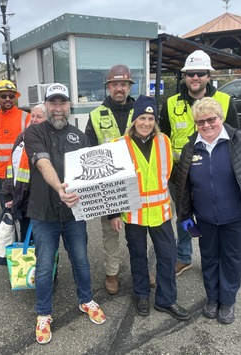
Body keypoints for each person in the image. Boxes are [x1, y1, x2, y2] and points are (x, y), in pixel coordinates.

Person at [24, 83, 106, 345]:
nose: (58, 109)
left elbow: (90, 172)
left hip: (74, 214)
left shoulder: (79, 136)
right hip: (44, 213)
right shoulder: (34, 132)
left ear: (69, 106)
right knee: (45, 266)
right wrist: (59, 187)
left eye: (62, 103)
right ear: (46, 106)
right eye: (53, 103)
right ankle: (44, 314)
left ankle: (86, 300)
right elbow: (42, 161)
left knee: (81, 260)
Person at [174, 97, 241, 324]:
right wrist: (185, 215)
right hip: (205, 219)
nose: (206, 125)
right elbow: (183, 185)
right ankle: (212, 298)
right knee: (209, 259)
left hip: (236, 217)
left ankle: (227, 301)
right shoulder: (190, 147)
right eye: (200, 122)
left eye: (211, 119)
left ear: (221, 118)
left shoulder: (240, 141)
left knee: (232, 259)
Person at [159, 50, 240, 276]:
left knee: (213, 215)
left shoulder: (224, 101)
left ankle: (214, 258)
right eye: (191, 73)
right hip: (179, 175)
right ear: (184, 76)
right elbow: (163, 140)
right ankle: (184, 257)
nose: (195, 78)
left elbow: (236, 139)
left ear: (208, 76)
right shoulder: (170, 104)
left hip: (214, 173)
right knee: (183, 215)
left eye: (201, 73)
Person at [110, 95, 190, 320]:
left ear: (155, 120)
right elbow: (112, 183)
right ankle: (142, 295)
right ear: (134, 120)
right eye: (142, 118)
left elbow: (174, 174)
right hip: (133, 212)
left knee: (167, 255)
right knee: (137, 255)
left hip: (161, 212)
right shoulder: (118, 145)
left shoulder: (164, 141)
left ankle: (166, 300)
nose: (146, 123)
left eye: (150, 118)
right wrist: (114, 213)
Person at [85, 64, 156, 295]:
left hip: (139, 183)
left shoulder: (142, 110)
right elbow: (89, 152)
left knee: (139, 233)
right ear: (108, 87)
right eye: (115, 84)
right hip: (110, 185)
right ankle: (111, 273)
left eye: (123, 84)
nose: (119, 88)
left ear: (129, 86)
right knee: (110, 233)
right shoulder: (96, 115)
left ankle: (142, 270)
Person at [1, 103, 47, 241]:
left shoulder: (47, 139)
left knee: (42, 237)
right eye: (32, 116)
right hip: (22, 197)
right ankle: (27, 262)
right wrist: (8, 194)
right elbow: (11, 168)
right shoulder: (21, 137)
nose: (34, 119)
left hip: (39, 199)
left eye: (39, 116)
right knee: (26, 236)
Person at [0, 80, 30, 208]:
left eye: (11, 96)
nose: (8, 99)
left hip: (22, 174)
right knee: (7, 213)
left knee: (25, 213)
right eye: (3, 96)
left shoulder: (26, 118)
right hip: (1, 176)